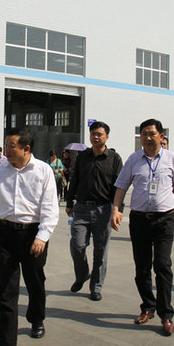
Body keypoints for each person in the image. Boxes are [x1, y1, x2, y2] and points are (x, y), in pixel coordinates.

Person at [0, 128, 59, 346]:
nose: (6, 151)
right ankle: (6, 344)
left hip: (33, 235)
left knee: (35, 282)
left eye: (11, 146)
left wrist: (42, 237)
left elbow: (50, 208)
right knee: (7, 291)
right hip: (6, 233)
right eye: (5, 146)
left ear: (26, 148)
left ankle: (36, 318)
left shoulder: (43, 171)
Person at [111, 118, 174, 336]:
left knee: (163, 265)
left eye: (151, 133)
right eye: (144, 134)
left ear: (161, 136)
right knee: (142, 268)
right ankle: (148, 306)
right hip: (139, 220)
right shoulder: (133, 159)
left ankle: (166, 314)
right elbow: (121, 186)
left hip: (165, 219)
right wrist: (116, 209)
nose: (147, 138)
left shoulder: (172, 159)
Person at [65, 121, 123, 301]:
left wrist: (117, 210)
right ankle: (82, 275)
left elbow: (119, 187)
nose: (95, 137)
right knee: (77, 245)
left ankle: (96, 287)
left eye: (99, 134)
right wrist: (69, 202)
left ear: (107, 136)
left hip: (103, 209)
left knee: (100, 251)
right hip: (81, 208)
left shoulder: (114, 158)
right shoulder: (83, 157)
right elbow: (75, 180)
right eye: (93, 134)